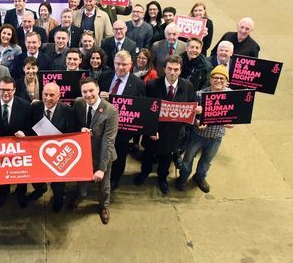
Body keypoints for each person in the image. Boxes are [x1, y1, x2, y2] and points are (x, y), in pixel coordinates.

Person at [134, 55, 196, 195]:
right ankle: (144, 173)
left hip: (173, 132)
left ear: (180, 71)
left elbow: (190, 105)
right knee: (148, 154)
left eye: (176, 69)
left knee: (166, 158)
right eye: (169, 69)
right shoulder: (152, 85)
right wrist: (150, 129)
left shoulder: (187, 86)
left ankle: (162, 178)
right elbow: (146, 109)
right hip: (153, 130)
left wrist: (195, 112)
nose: (172, 72)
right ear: (164, 69)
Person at [176, 65, 234, 193]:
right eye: (215, 78)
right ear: (210, 79)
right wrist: (196, 121)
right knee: (188, 158)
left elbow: (234, 117)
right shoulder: (200, 95)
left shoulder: (231, 96)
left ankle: (200, 177)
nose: (218, 81)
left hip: (216, 136)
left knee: (207, 160)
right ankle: (183, 177)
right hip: (198, 135)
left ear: (226, 81)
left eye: (222, 78)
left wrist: (231, 122)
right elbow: (191, 116)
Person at [70, 77, 118, 225]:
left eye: (91, 90)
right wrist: (80, 129)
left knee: (104, 184)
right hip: (83, 154)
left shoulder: (111, 111)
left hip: (103, 154)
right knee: (82, 181)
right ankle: (81, 196)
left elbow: (108, 141)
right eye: (84, 91)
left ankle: (104, 206)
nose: (88, 94)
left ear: (98, 89)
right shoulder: (78, 103)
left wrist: (101, 169)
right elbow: (73, 123)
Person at [98, 51, 146, 190]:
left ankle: (115, 180)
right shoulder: (104, 77)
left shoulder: (138, 84)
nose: (121, 67)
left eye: (124, 64)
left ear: (131, 65)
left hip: (123, 129)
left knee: (119, 155)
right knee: (101, 151)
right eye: (118, 64)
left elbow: (141, 109)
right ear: (113, 63)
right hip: (103, 124)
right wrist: (99, 96)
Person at [28, 82, 77, 212]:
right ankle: (40, 188)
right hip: (37, 152)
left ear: (59, 96)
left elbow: (71, 135)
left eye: (52, 95)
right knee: (35, 176)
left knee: (58, 183)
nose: (48, 98)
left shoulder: (68, 111)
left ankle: (58, 198)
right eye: (45, 94)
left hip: (58, 155)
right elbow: (29, 128)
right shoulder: (35, 108)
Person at [0, 76, 31, 208]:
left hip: (19, 149)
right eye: (2, 89)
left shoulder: (25, 105)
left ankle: (21, 193)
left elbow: (30, 127)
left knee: (21, 174)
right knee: (2, 173)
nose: (6, 93)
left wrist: (24, 133)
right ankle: (4, 192)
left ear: (14, 90)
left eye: (9, 90)